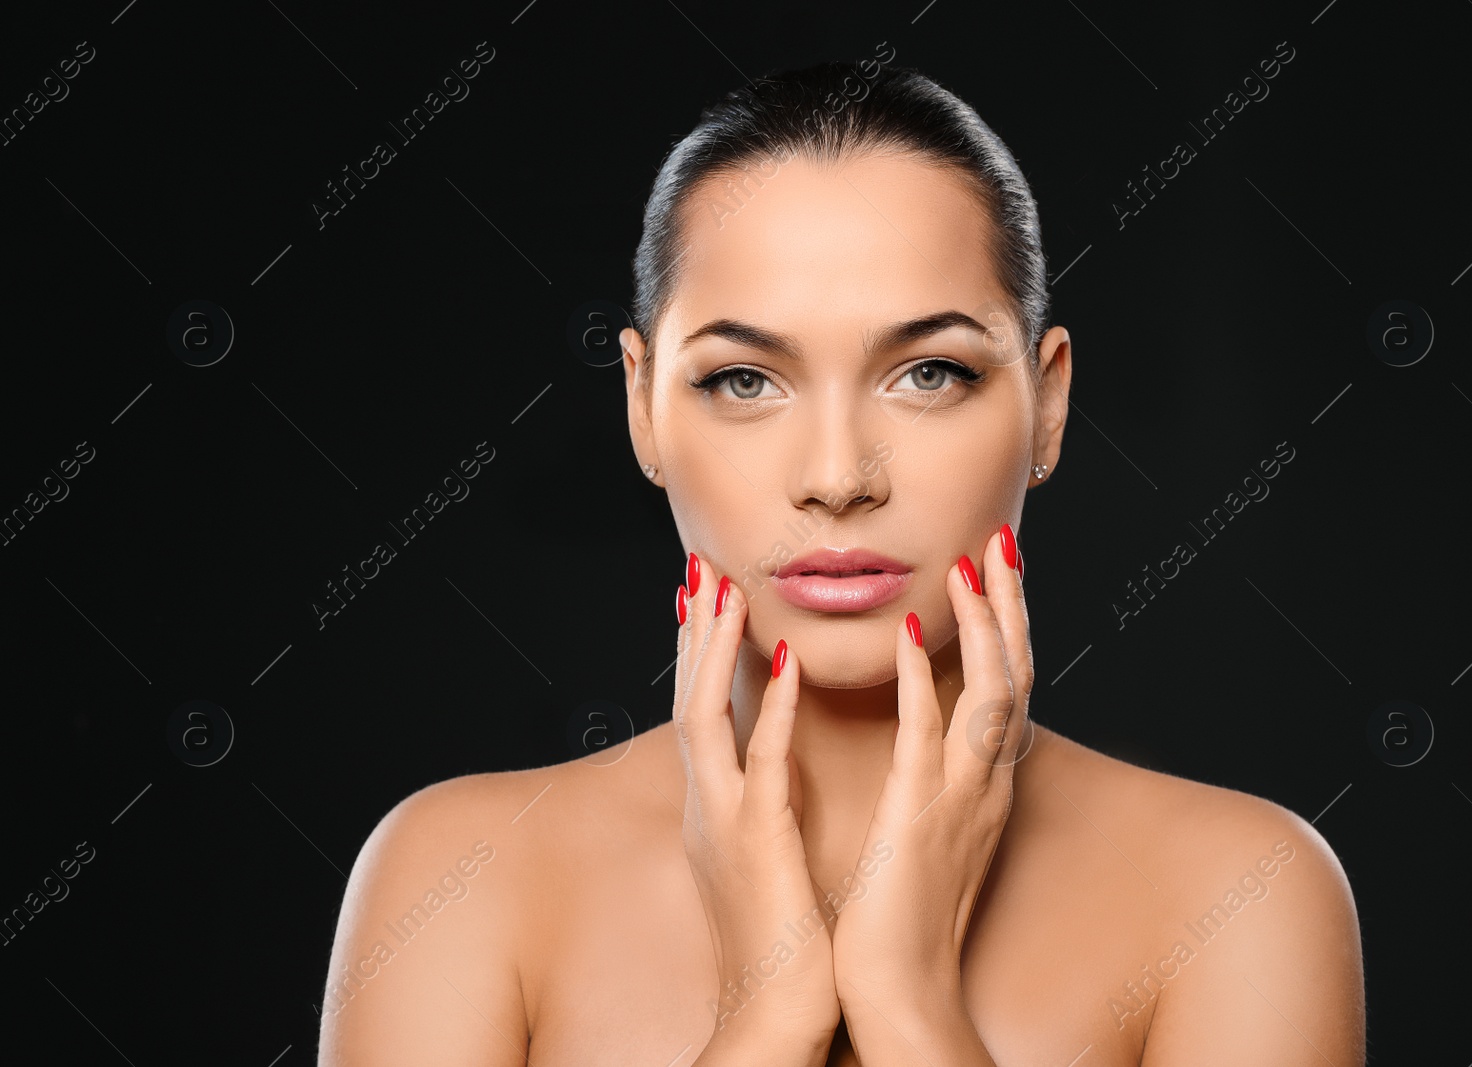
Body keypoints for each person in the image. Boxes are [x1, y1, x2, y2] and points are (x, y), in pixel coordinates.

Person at [316, 59, 1365, 1066]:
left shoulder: (1241, 892)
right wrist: (769, 1017)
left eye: (929, 372)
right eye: (742, 380)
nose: (835, 475)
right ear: (641, 407)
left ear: (1045, 404)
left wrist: (909, 1003)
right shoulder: (454, 881)